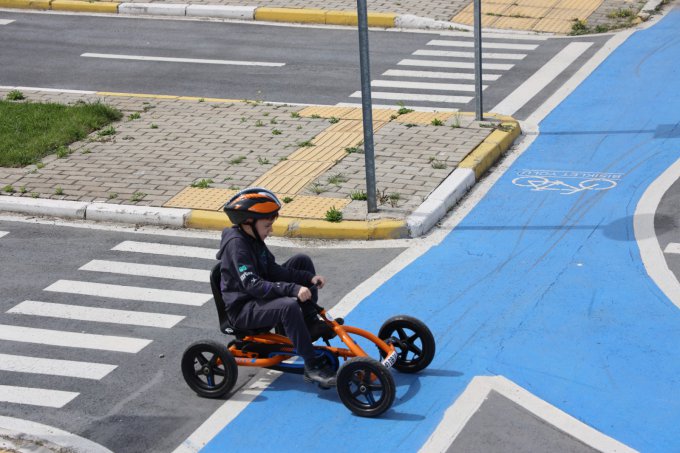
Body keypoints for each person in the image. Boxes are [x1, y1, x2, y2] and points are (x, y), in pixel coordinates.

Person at [215, 187, 337, 388]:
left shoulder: (253, 239)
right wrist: (292, 289)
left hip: (258, 300)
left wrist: (308, 278)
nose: (270, 230)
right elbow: (253, 285)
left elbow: (273, 270)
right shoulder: (237, 246)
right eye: (267, 225)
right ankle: (312, 365)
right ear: (248, 222)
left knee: (301, 261)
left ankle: (308, 323)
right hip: (244, 309)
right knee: (288, 305)